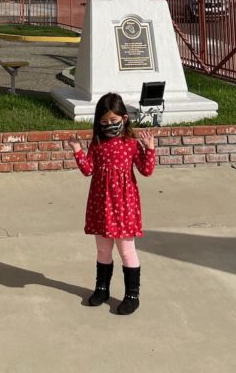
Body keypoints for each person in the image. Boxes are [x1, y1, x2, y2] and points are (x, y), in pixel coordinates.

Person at [68, 92, 156, 315]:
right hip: (100, 203)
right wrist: (78, 151)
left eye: (114, 121)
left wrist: (150, 148)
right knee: (102, 248)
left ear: (124, 119)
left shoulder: (131, 144)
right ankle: (101, 288)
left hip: (125, 206)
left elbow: (146, 171)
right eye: (104, 122)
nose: (109, 126)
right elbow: (88, 170)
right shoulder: (96, 145)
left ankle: (132, 295)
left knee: (127, 251)